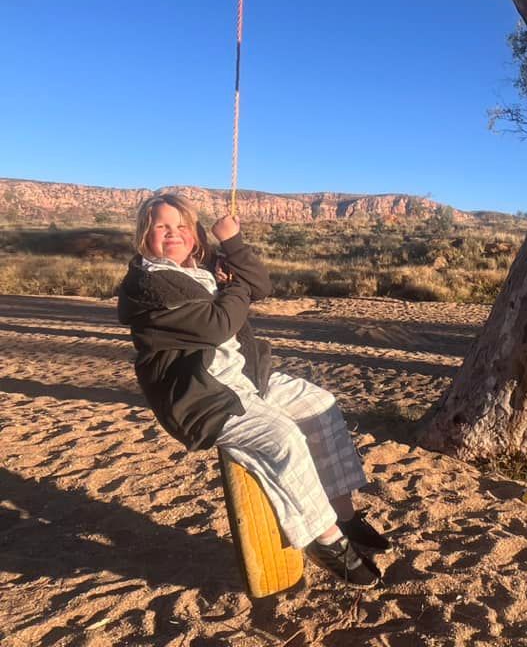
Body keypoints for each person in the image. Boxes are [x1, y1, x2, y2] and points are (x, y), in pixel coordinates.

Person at [117, 193, 390, 589]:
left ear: (195, 236)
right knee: (284, 439)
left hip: (245, 378)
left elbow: (259, 284)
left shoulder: (204, 268)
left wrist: (233, 243)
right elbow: (217, 324)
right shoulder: (149, 286)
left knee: (319, 405)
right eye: (161, 226)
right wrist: (235, 290)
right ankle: (325, 540)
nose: (172, 234)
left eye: (181, 227)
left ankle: (344, 513)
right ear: (144, 236)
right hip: (202, 397)